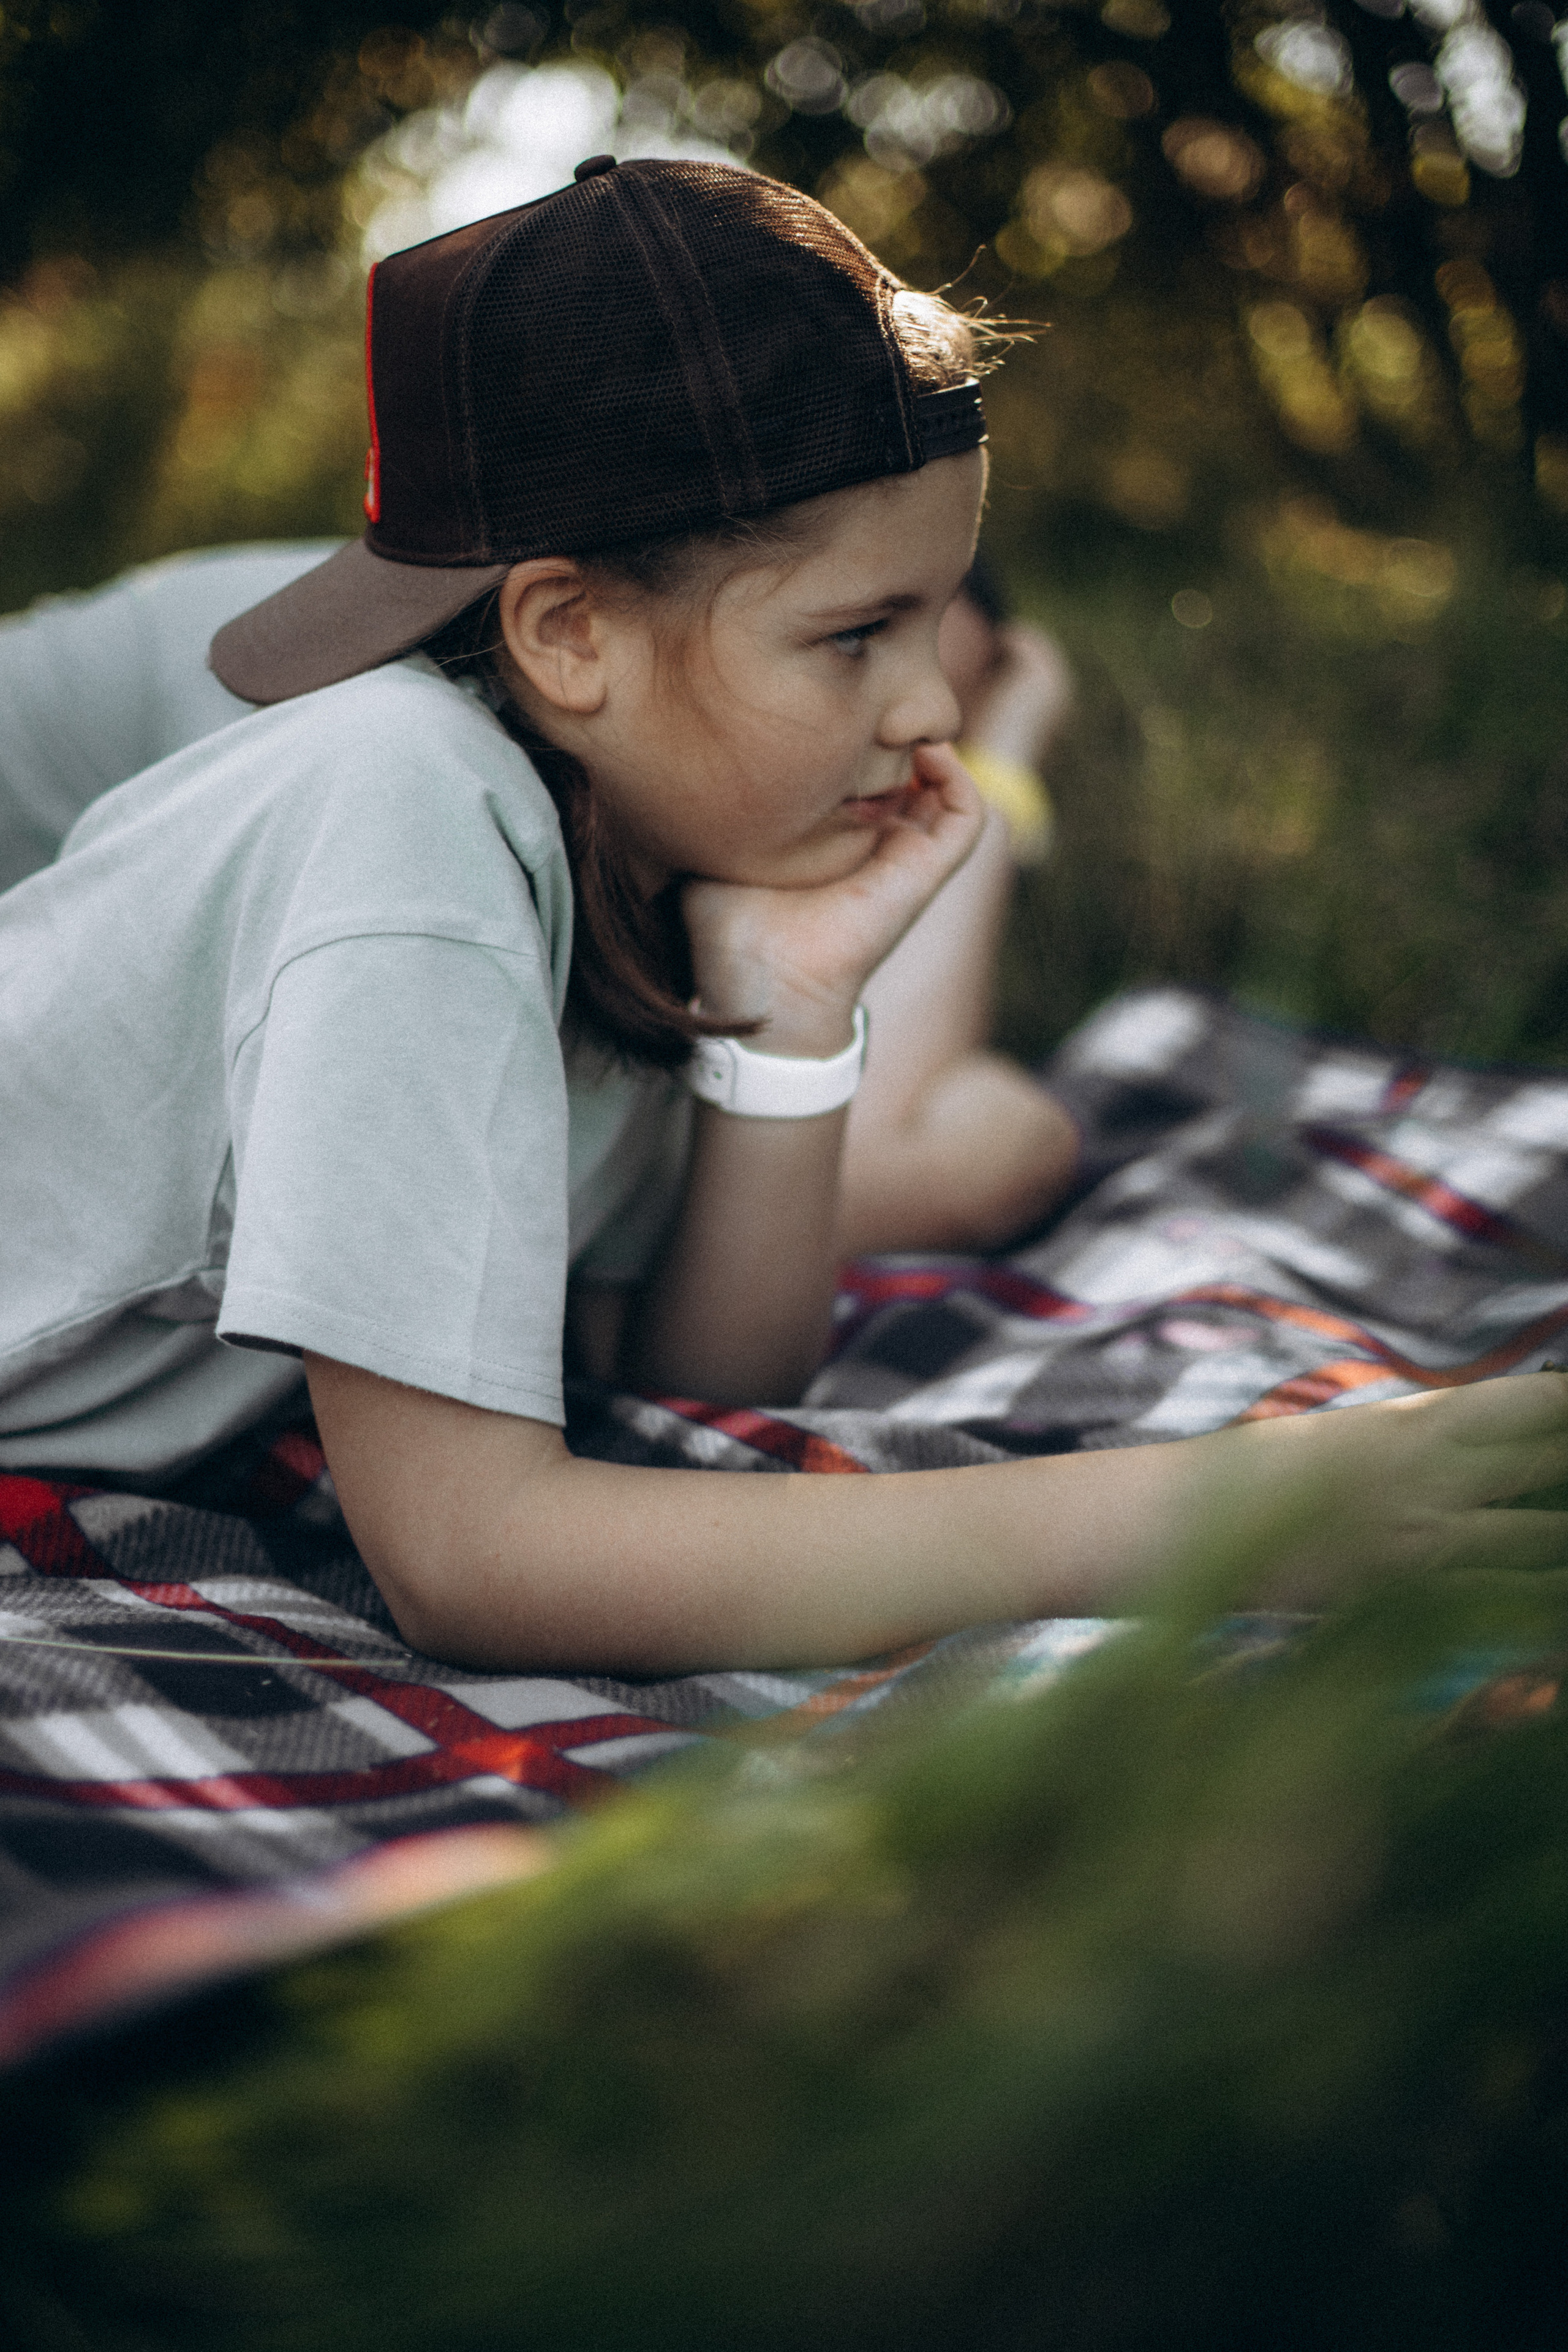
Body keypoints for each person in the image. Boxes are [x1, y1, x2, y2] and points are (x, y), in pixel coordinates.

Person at [1, 156, 1564, 1673]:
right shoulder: (404, 813)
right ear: (565, 634)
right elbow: (474, 1559)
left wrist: (789, 1019)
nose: (932, 703)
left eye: (936, 618)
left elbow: (687, 1383)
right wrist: (1228, 1514)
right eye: (854, 635)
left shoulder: (620, 844)